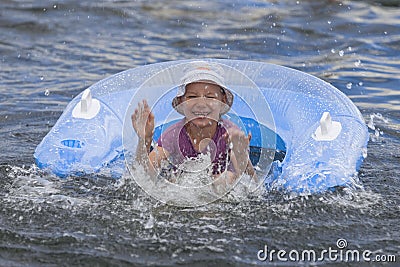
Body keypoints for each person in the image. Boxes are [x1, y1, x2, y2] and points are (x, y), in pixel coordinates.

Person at [131, 61, 254, 186]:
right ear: (181, 101)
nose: (201, 104)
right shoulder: (174, 134)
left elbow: (253, 182)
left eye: (210, 97)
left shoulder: (229, 133)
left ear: (222, 101)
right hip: (183, 189)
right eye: (192, 97)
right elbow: (144, 176)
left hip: (221, 190)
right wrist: (144, 140)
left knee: (222, 181)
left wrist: (241, 155)